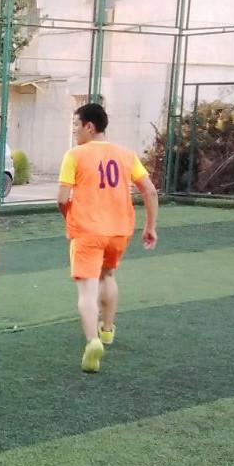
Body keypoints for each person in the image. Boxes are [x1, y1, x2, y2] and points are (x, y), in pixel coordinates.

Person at [58, 102, 159, 372]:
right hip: (119, 230)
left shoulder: (74, 155)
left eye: (76, 125)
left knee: (87, 289)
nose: (75, 131)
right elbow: (150, 191)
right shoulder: (126, 155)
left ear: (89, 126)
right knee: (108, 275)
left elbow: (62, 198)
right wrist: (150, 226)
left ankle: (92, 341)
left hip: (87, 231)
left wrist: (69, 216)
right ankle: (107, 330)